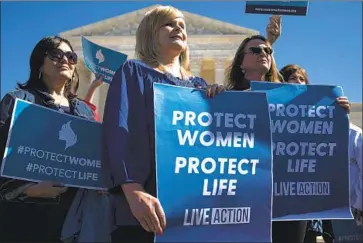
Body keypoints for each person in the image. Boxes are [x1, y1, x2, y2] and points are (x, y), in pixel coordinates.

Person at [102, 5, 222, 243]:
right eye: (168, 23)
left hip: (194, 210)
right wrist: (133, 189)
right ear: (150, 33)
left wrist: (222, 103)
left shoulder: (200, 86)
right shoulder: (133, 72)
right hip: (146, 206)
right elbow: (121, 132)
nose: (178, 28)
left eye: (182, 25)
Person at [0, 36, 96, 242]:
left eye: (70, 56)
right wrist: (26, 190)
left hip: (75, 218)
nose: (65, 60)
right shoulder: (16, 101)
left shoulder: (85, 112)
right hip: (25, 218)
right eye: (55, 55)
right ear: (39, 64)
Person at [279, 64, 354, 243]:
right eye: (292, 78)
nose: (298, 82)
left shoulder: (317, 114)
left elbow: (330, 149)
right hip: (279, 196)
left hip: (307, 199)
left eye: (302, 79)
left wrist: (338, 116)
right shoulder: (273, 109)